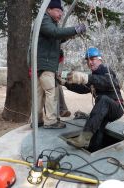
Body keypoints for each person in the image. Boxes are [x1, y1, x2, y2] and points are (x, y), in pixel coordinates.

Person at [36, 0, 86, 129]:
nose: (60, 14)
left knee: (39, 94)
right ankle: (51, 121)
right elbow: (54, 33)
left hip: (42, 64)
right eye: (58, 11)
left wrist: (71, 34)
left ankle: (37, 120)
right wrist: (75, 29)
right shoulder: (44, 20)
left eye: (61, 12)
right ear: (49, 10)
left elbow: (56, 36)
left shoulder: (49, 22)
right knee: (51, 92)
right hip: (46, 64)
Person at [65, 47, 124, 151]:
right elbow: (83, 89)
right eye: (88, 60)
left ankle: (83, 139)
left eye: (92, 59)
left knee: (103, 99)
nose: (90, 62)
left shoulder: (105, 69)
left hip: (116, 108)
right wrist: (65, 83)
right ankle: (93, 149)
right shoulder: (94, 76)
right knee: (97, 128)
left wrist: (86, 78)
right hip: (104, 110)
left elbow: (110, 82)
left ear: (99, 59)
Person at [58, 50, 71, 117]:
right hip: (43, 72)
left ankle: (62, 110)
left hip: (53, 73)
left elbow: (59, 72)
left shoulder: (60, 54)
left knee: (58, 87)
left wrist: (58, 75)